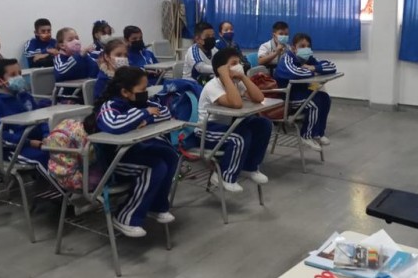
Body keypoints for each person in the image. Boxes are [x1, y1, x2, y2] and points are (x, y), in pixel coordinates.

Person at [83, 67, 178, 238]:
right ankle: (125, 216)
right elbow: (115, 125)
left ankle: (156, 206)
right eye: (142, 89)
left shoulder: (138, 102)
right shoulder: (110, 106)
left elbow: (164, 112)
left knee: (169, 156)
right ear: (125, 92)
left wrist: (144, 118)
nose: (146, 93)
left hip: (134, 153)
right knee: (155, 167)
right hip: (114, 163)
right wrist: (143, 114)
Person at [196, 48, 272, 192]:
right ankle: (223, 176)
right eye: (234, 63)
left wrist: (243, 77)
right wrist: (224, 76)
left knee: (263, 124)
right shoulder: (213, 86)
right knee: (239, 138)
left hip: (227, 126)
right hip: (207, 130)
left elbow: (259, 98)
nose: (239, 66)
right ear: (221, 69)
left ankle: (249, 167)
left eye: (239, 63)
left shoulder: (235, 82)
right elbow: (236, 104)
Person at [0, 59, 49, 175]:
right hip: (14, 149)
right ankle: (60, 186)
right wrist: (29, 142)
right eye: (13, 75)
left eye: (20, 73)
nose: (19, 77)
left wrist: (46, 135)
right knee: (44, 156)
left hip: (37, 141)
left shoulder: (24, 95)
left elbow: (41, 118)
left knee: (64, 149)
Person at [274, 33, 336, 151]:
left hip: (302, 94)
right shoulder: (287, 59)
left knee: (325, 98)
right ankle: (306, 135)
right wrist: (315, 72)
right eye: (302, 46)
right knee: (314, 103)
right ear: (294, 48)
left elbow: (332, 66)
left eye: (308, 46)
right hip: (288, 98)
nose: (305, 49)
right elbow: (295, 73)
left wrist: (315, 68)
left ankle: (318, 133)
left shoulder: (308, 59)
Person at [53, 27, 99, 102]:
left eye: (77, 38)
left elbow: (94, 71)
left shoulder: (84, 55)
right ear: (62, 45)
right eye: (70, 40)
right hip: (66, 96)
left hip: (84, 92)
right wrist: (78, 56)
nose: (76, 41)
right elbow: (61, 72)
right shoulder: (59, 58)